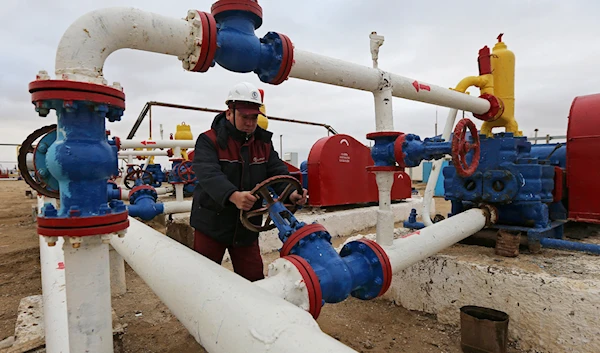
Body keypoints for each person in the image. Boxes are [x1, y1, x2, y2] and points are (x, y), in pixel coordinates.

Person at [190, 81, 308, 282]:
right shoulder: (208, 141)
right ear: (229, 113)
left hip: (247, 227)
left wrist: (291, 193)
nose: (250, 122)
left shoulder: (263, 143)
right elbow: (208, 174)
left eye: (254, 117)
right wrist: (232, 195)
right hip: (212, 224)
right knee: (203, 279)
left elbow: (276, 171)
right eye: (245, 116)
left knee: (254, 280)